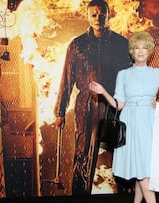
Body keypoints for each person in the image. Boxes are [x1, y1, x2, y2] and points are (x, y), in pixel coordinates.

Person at [89, 31, 159, 203]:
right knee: (140, 171)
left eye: (144, 47)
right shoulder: (123, 74)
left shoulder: (157, 73)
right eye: (136, 47)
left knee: (145, 173)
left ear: (150, 51)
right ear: (132, 51)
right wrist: (103, 92)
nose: (140, 51)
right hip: (129, 124)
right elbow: (120, 104)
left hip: (149, 123)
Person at [54, 0, 132, 195]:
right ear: (87, 17)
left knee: (118, 152)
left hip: (113, 106)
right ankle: (80, 195)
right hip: (85, 107)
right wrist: (60, 112)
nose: (98, 18)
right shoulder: (77, 45)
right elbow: (66, 80)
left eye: (102, 14)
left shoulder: (121, 45)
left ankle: (123, 194)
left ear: (108, 15)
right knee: (83, 154)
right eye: (94, 15)